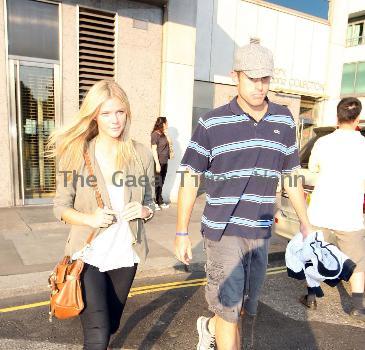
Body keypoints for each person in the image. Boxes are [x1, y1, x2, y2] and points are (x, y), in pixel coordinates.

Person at [175, 43, 312, 350]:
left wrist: (306, 224)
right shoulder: (212, 123)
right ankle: (217, 327)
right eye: (252, 78)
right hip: (223, 232)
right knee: (229, 309)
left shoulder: (283, 121)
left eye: (265, 79)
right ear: (234, 75)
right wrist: (181, 232)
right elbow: (189, 177)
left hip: (261, 231)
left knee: (243, 309)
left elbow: (291, 176)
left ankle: (207, 326)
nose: (259, 86)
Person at [48, 80, 155, 349]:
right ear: (94, 115)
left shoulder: (141, 154)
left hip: (125, 254)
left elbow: (150, 200)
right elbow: (60, 207)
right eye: (106, 113)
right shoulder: (76, 153)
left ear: (127, 112)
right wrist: (89, 219)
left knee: (112, 324)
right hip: (88, 253)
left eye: (119, 112)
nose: (114, 120)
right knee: (97, 333)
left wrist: (144, 210)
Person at [304, 97, 365, 321]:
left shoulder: (323, 143)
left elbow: (313, 167)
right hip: (350, 216)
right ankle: (358, 305)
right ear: (358, 118)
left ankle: (311, 296)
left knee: (315, 255)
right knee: (358, 261)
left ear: (337, 117)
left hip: (321, 211)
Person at [151, 117, 173, 210]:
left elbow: (170, 143)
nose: (167, 124)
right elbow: (154, 149)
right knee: (157, 182)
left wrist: (167, 135)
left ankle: (160, 200)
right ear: (163, 123)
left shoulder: (164, 134)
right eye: (166, 123)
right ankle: (154, 202)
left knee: (161, 182)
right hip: (158, 161)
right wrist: (157, 164)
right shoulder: (155, 134)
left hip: (165, 161)